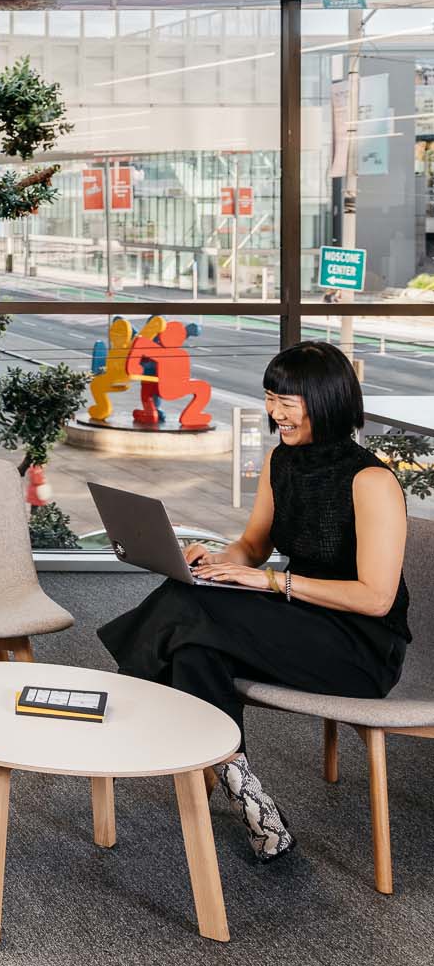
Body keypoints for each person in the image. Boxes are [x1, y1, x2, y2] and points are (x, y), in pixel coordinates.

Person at [98, 341, 409, 861]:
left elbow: (376, 599)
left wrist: (268, 583)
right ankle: (245, 788)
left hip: (359, 645)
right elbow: (254, 545)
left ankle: (139, 717)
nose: (274, 413)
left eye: (288, 401)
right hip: (300, 619)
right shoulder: (280, 462)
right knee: (198, 642)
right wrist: (216, 560)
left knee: (189, 614)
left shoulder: (371, 480)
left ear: (327, 401)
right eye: (270, 398)